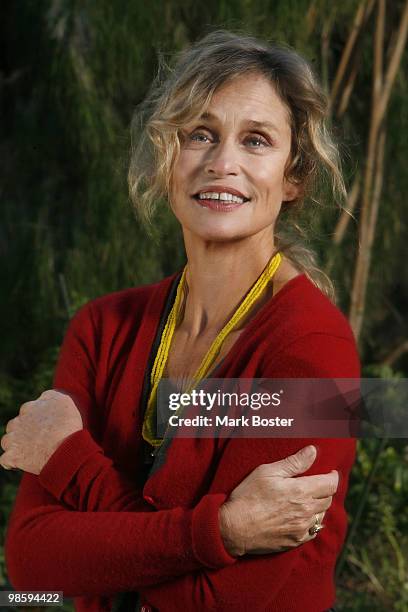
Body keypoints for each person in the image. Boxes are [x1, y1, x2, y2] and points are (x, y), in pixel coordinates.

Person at [1, 31, 359, 612]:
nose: (223, 164)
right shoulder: (101, 328)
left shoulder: (313, 349)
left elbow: (217, 600)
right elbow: (33, 562)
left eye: (256, 141)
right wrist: (226, 531)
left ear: (293, 178)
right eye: (201, 134)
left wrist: (68, 458)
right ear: (168, 159)